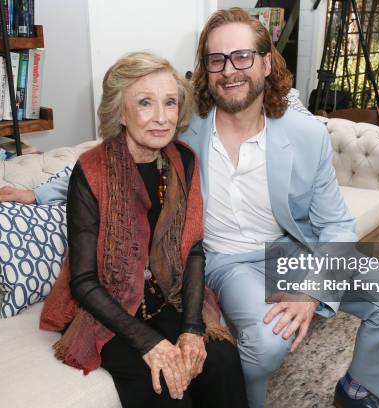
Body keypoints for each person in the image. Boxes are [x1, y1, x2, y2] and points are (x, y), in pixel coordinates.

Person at [0, 9, 379, 408]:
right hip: (226, 261)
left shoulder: (305, 134)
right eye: (217, 60)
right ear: (206, 71)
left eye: (242, 57)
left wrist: (309, 290)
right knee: (269, 343)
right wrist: (39, 193)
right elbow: (112, 158)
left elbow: (336, 225)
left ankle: (358, 390)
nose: (230, 71)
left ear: (268, 63)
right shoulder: (184, 124)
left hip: (286, 253)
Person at [35, 51, 248, 408]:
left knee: (222, 360)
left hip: (167, 293)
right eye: (145, 103)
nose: (162, 118)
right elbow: (84, 282)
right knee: (165, 388)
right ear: (121, 111)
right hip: (108, 306)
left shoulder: (183, 160)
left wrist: (193, 329)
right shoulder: (91, 171)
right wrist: (148, 342)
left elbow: (194, 249)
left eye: (170, 103)